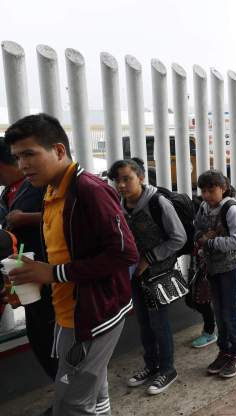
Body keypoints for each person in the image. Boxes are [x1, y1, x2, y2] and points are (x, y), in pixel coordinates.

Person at [5, 113, 138, 416]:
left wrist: (52, 273)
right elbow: (65, 251)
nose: (22, 164)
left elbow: (124, 253)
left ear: (59, 151)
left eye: (29, 153)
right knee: (94, 392)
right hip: (70, 310)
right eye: (17, 157)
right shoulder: (52, 191)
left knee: (72, 405)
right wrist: (34, 274)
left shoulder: (90, 190)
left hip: (93, 316)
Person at [109, 158, 187, 394]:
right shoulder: (120, 205)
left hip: (158, 275)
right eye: (117, 180)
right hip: (135, 276)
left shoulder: (157, 202)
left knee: (159, 323)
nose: (121, 185)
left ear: (141, 178)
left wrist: (149, 258)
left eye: (127, 179)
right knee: (143, 322)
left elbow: (179, 238)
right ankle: (151, 365)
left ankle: (167, 369)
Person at [0, 138, 58, 392]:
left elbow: (64, 215)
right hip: (24, 277)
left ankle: (76, 400)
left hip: (50, 276)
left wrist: (26, 218)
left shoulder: (38, 185)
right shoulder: (8, 192)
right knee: (40, 340)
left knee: (54, 342)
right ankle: (65, 396)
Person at [194, 170, 236, 378]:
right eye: (203, 191)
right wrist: (200, 237)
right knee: (218, 311)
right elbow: (196, 228)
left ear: (223, 188)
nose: (207, 195)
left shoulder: (230, 209)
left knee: (230, 312)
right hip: (213, 268)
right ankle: (224, 351)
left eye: (211, 190)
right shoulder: (204, 207)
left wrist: (211, 242)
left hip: (232, 269)